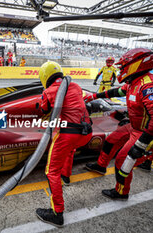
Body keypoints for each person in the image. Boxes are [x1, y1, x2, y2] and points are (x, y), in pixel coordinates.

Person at [84, 48, 153, 199]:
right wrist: (94, 95)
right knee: (111, 140)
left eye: (124, 65)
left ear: (137, 64)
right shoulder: (135, 82)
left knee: (122, 160)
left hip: (152, 132)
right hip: (137, 126)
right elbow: (116, 92)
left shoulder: (151, 85)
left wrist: (140, 146)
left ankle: (121, 192)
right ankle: (101, 166)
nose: (121, 69)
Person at [36, 61, 93, 227]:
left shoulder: (49, 91)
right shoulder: (74, 85)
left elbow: (44, 110)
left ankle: (57, 213)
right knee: (70, 151)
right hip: (86, 132)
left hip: (68, 133)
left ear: (44, 76)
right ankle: (66, 176)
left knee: (51, 172)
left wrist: (42, 97)